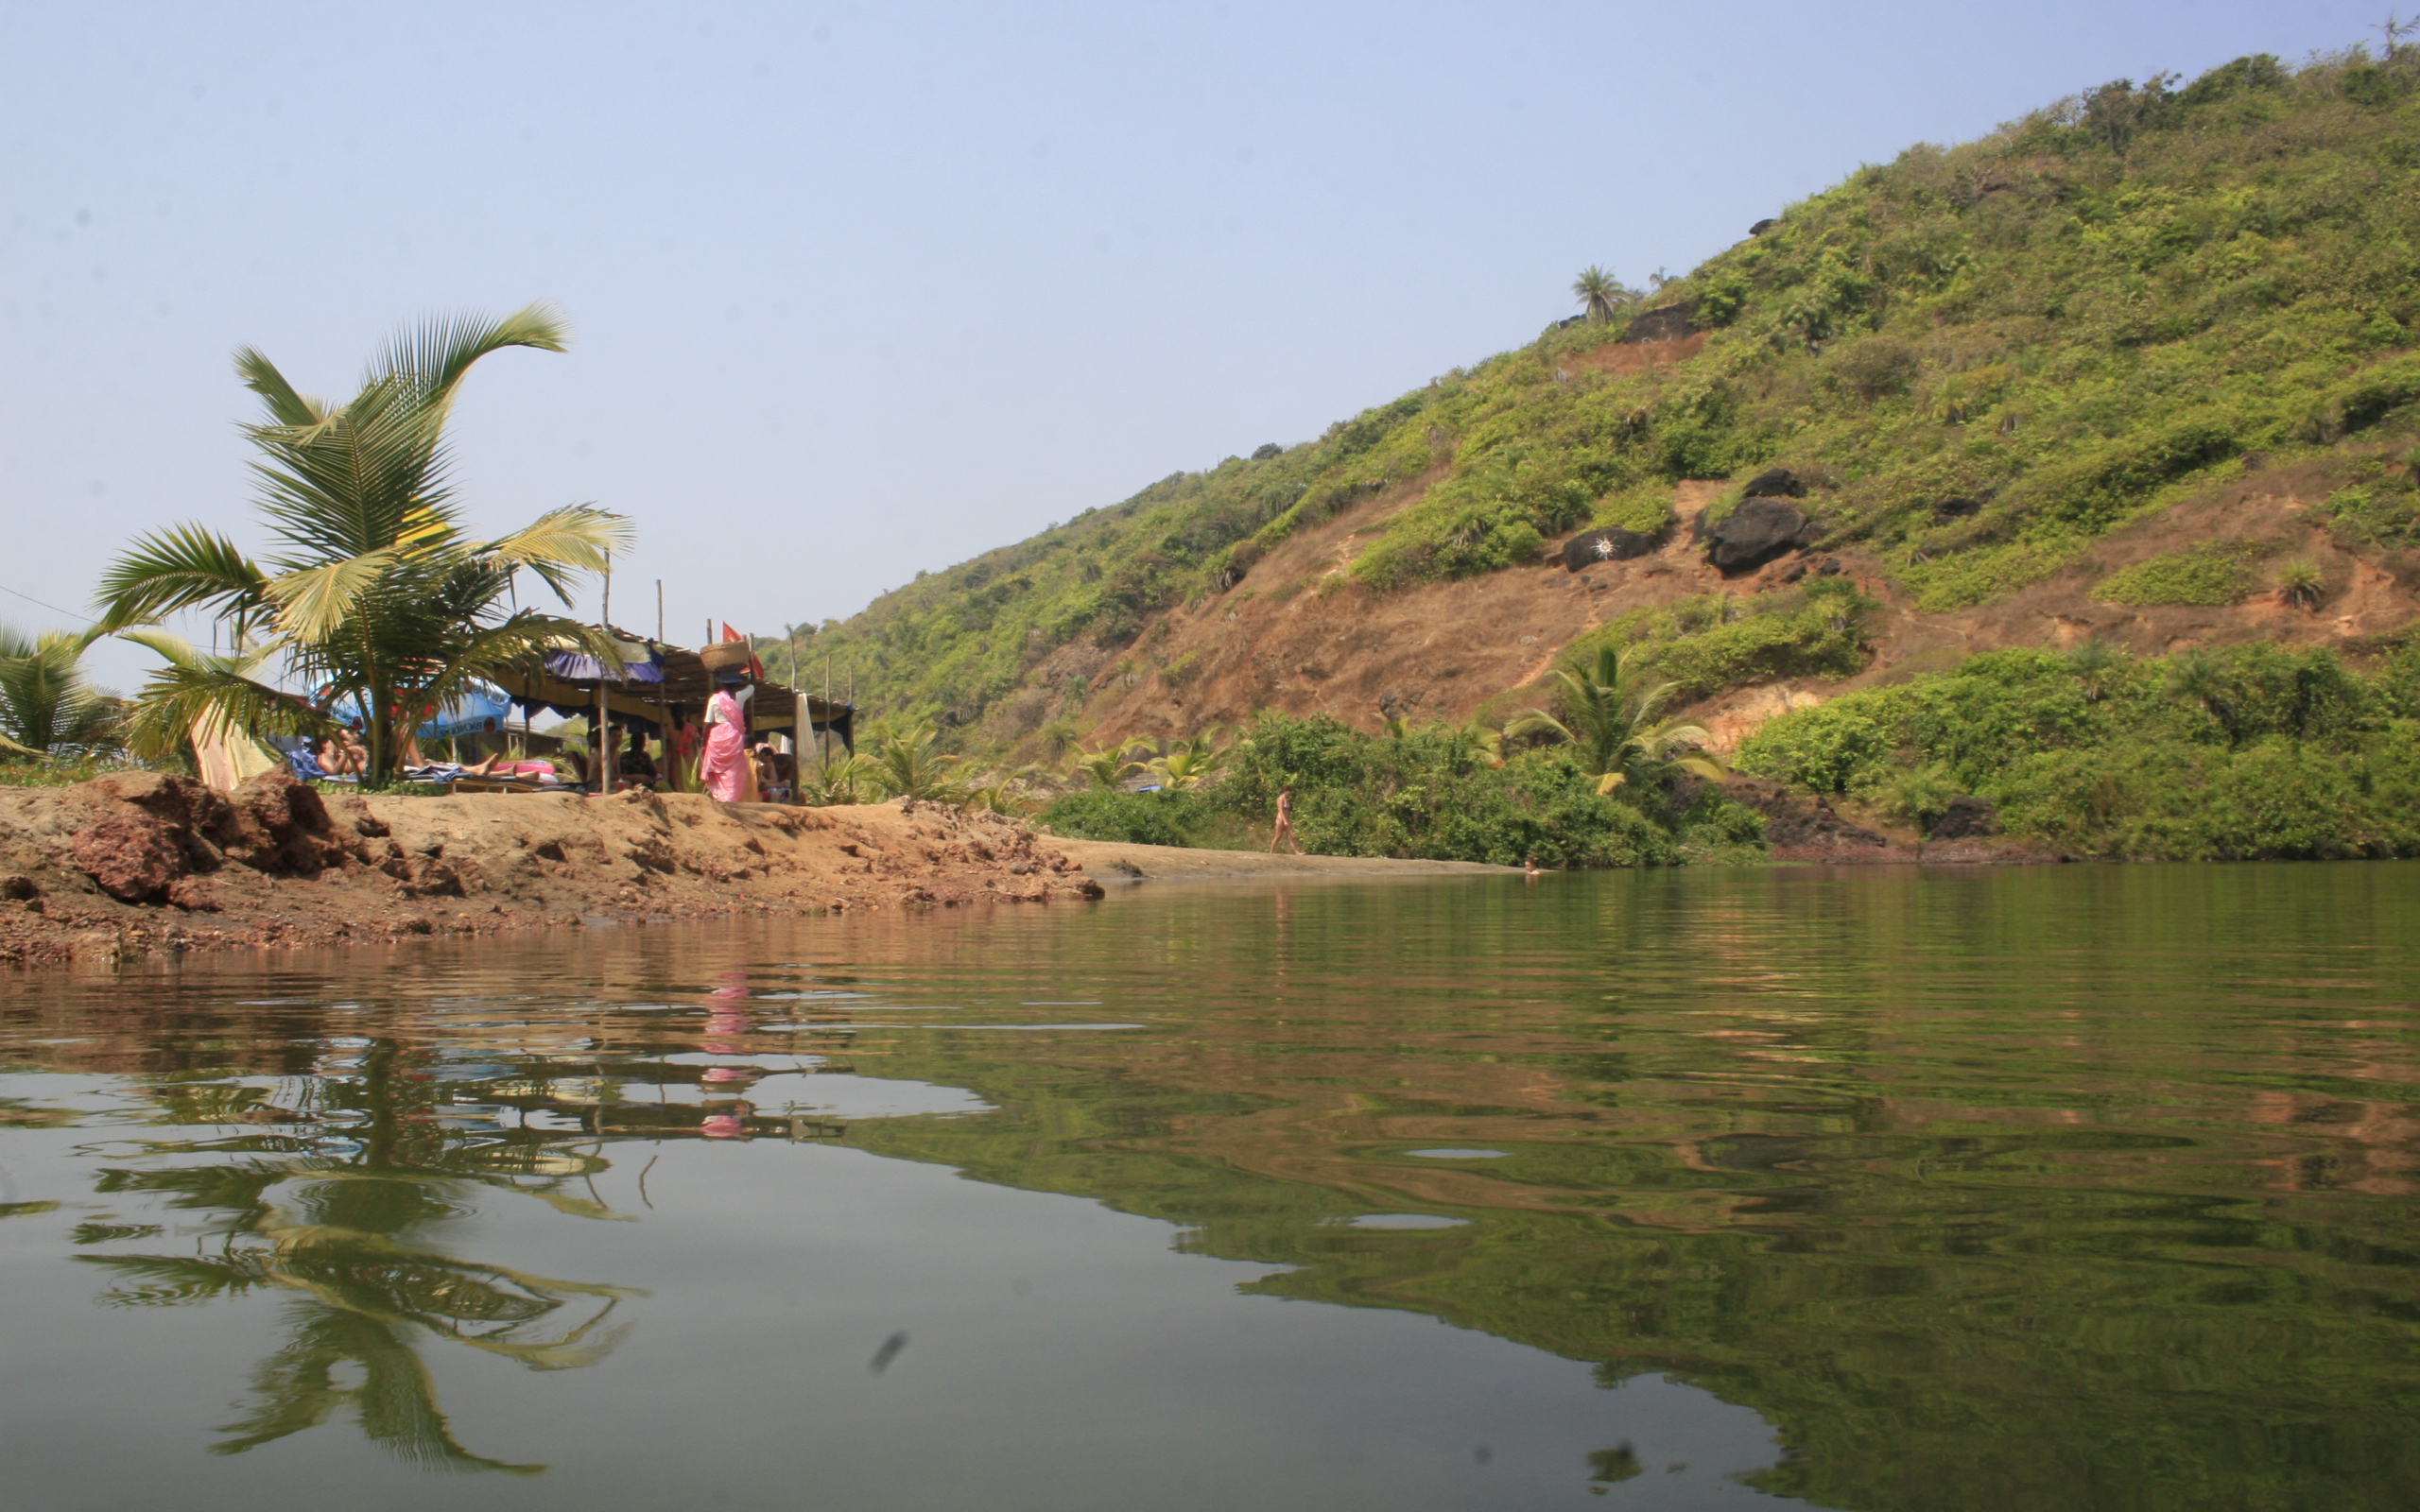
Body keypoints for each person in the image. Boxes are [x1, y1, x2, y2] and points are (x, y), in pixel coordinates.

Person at [700, 671, 756, 803]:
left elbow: (707, 722)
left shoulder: (714, 699)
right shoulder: (741, 696)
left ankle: (720, 797)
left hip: (717, 736)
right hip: (734, 736)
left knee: (719, 771)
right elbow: (753, 684)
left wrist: (703, 742)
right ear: (736, 683)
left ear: (720, 683)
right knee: (733, 770)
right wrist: (752, 666)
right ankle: (731, 798)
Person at [666, 703, 700, 792]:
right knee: (692, 783)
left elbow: (667, 749)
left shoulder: (668, 729)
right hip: (691, 760)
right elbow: (698, 745)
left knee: (680, 785)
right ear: (683, 714)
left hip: (677, 761)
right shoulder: (692, 728)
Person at [1269, 784, 1300, 854]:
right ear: (1285, 791)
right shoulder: (1280, 799)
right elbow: (1280, 810)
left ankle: (1296, 851)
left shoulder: (1286, 799)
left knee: (1291, 835)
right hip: (1280, 819)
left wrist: (1287, 820)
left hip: (1287, 819)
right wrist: (1284, 821)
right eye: (1289, 791)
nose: (1290, 793)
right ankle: (1271, 851)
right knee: (1278, 836)